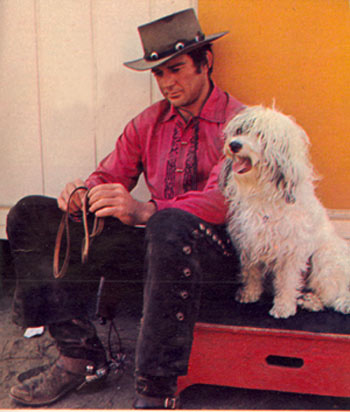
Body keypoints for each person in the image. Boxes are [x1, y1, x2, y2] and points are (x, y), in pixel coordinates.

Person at [6, 8, 243, 409]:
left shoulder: (240, 124)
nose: (168, 83)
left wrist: (145, 211)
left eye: (177, 68)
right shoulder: (148, 123)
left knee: (169, 223)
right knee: (30, 213)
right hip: (156, 249)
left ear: (207, 62)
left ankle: (156, 389)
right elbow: (108, 174)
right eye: (159, 74)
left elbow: (222, 201)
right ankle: (78, 357)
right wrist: (85, 194)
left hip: (216, 260)